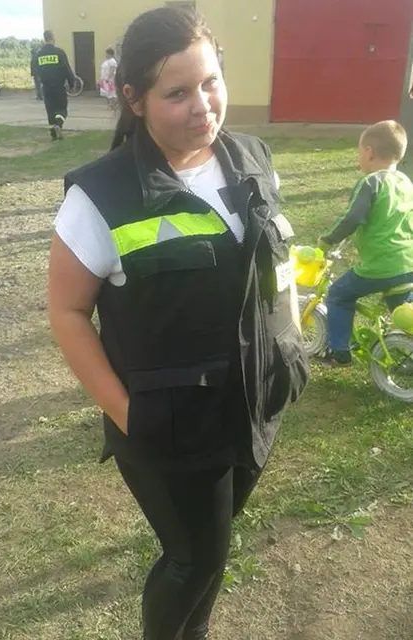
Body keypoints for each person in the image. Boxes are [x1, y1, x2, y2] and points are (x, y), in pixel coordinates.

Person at [48, 7, 308, 640]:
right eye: (178, 92)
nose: (203, 106)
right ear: (133, 98)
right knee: (193, 558)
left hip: (256, 402)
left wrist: (291, 339)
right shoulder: (100, 196)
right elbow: (67, 311)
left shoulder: (253, 157)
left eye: (211, 81)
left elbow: (273, 262)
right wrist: (127, 414)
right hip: (172, 426)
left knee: (212, 549)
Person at [319, 120, 413, 366]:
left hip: (380, 265)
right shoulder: (405, 182)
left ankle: (339, 351)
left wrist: (328, 240)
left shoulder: (371, 182)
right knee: (404, 313)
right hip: (408, 263)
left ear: (369, 152)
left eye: (359, 152)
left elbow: (352, 218)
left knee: (338, 295)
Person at [36, 30, 75, 141]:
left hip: (46, 88)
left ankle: (53, 134)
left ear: (44, 39)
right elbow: (67, 69)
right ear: (53, 38)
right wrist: (71, 83)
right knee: (62, 109)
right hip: (59, 87)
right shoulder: (59, 52)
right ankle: (59, 124)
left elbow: (35, 71)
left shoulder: (39, 54)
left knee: (50, 111)